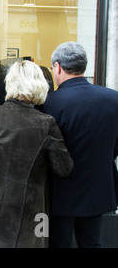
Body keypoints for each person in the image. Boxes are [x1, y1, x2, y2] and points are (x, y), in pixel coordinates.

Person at [0, 60, 73, 248]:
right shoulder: (46, 123)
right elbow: (64, 168)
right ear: (40, 86)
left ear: (10, 84)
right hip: (34, 210)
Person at [42, 42, 118, 248]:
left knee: (59, 243)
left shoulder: (49, 103)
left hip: (60, 191)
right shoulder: (113, 99)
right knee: (92, 242)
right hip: (98, 187)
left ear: (57, 67)